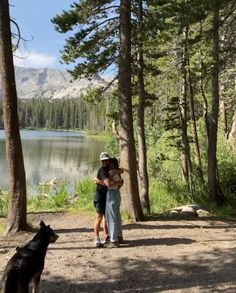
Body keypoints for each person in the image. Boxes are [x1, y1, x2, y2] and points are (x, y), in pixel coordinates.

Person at [104, 157, 124, 248]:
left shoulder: (111, 172)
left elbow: (109, 183)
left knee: (111, 218)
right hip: (116, 194)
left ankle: (113, 240)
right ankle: (119, 236)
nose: (108, 164)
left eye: (109, 163)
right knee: (116, 216)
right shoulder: (117, 172)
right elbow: (121, 182)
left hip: (112, 194)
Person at [93, 152, 110, 247]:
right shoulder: (102, 170)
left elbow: (121, 170)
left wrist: (98, 181)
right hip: (99, 197)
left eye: (106, 160)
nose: (105, 162)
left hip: (106, 196)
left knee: (106, 218)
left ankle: (106, 236)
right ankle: (96, 238)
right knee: (99, 217)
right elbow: (108, 184)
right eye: (103, 161)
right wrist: (99, 181)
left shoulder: (109, 169)